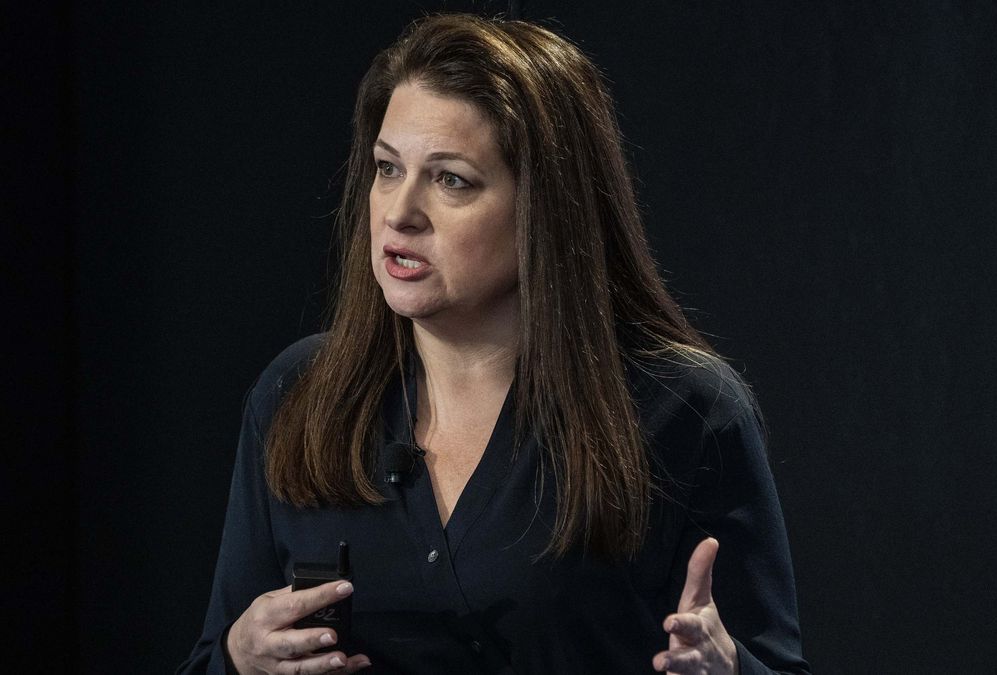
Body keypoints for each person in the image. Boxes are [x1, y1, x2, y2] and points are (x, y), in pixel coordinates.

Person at [179, 13, 810, 675]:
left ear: (543, 207)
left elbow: (774, 664)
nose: (400, 212)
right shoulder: (297, 395)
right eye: (388, 169)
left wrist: (729, 668)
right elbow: (207, 660)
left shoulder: (683, 411)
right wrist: (235, 656)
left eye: (451, 179)